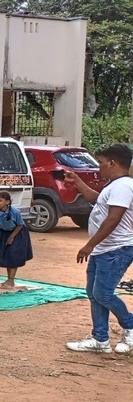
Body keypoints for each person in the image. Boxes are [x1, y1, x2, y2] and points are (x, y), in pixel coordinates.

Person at [64, 145, 133, 354]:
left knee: (103, 293)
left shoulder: (123, 185)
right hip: (104, 249)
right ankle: (100, 339)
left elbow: (114, 218)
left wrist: (89, 244)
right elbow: (97, 200)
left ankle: (130, 326)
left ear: (112, 162)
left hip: (116, 249)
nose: (98, 167)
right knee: (94, 293)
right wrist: (77, 182)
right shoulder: (114, 185)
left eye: (101, 162)